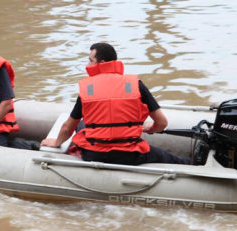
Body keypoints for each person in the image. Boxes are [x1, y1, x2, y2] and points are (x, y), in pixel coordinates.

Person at [41, 43, 190, 165]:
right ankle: (192, 165)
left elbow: (68, 128)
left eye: (90, 61)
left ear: (102, 63)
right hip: (130, 155)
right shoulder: (136, 85)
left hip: (94, 154)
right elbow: (162, 123)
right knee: (168, 158)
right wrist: (152, 128)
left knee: (82, 124)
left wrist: (57, 143)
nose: (87, 65)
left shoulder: (88, 89)